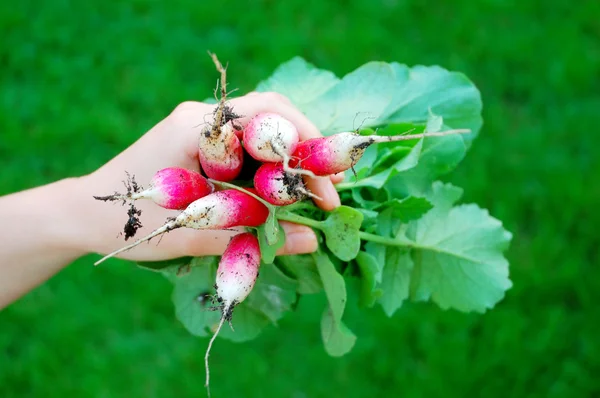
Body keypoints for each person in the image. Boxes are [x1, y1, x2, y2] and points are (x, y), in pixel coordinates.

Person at [0, 92, 342, 309]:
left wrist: (82, 215)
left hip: (263, 179)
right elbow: (222, 203)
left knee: (272, 167)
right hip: (236, 197)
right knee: (215, 204)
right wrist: (85, 216)